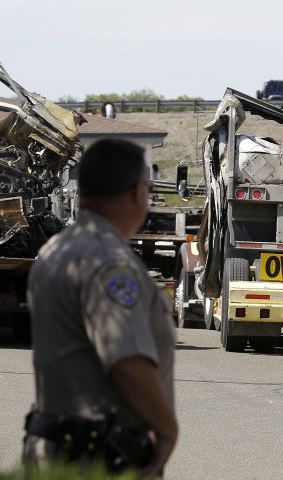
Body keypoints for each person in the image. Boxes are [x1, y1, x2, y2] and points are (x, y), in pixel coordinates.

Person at [23, 139, 177, 476]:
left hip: (52, 446)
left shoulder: (54, 251)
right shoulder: (110, 264)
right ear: (136, 192)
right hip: (96, 457)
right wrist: (167, 429)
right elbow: (126, 363)